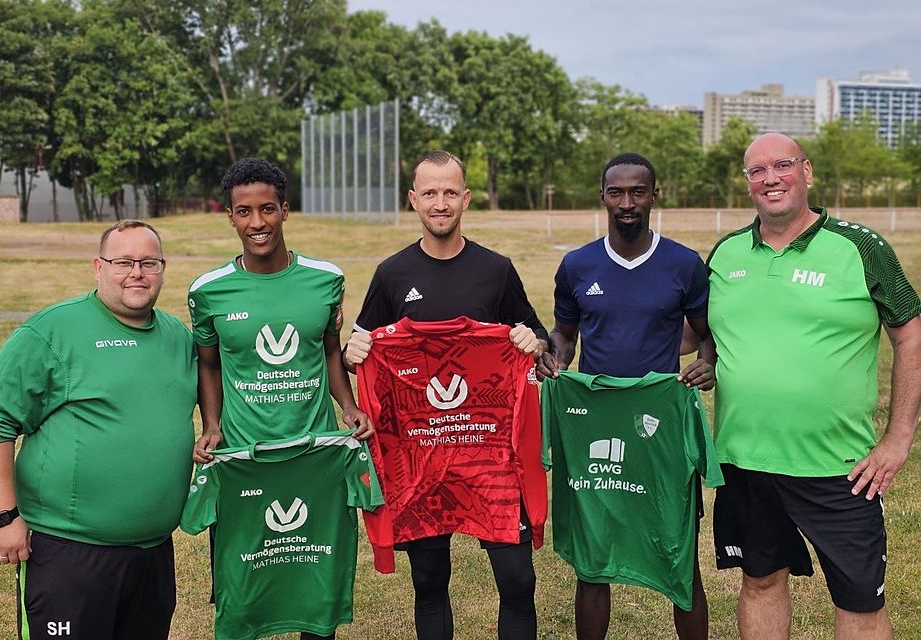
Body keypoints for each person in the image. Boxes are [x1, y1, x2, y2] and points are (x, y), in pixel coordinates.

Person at [707, 133, 921, 640]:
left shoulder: (861, 247)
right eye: (756, 171)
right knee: (760, 582)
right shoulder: (725, 252)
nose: (770, 178)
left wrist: (897, 440)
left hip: (839, 468)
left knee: (860, 604)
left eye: (781, 165)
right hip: (745, 460)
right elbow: (698, 336)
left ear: (806, 171)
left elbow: (910, 338)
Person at [342, 149, 547, 640]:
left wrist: (529, 340)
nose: (440, 203)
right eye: (430, 193)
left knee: (518, 580)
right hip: (420, 456)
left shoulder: (495, 270)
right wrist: (356, 348)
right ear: (413, 200)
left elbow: (537, 334)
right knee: (430, 581)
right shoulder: (392, 273)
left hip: (489, 454)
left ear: (466, 198)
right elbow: (361, 342)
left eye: (450, 192)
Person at [0, 220, 198, 640]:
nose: (137, 272)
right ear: (98, 266)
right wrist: (3, 517)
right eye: (123, 261)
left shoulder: (177, 338)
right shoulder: (53, 330)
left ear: (163, 268)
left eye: (149, 262)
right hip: (68, 555)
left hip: (152, 554)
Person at [188, 157, 372, 640]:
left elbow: (330, 350)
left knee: (316, 581)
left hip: (314, 455)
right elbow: (208, 363)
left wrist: (347, 405)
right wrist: (211, 423)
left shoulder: (324, 279)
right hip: (244, 458)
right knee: (244, 587)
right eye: (244, 212)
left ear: (285, 210)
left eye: (267, 209)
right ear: (229, 216)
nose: (257, 223)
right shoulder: (209, 292)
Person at [537, 152, 715, 639]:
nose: (627, 202)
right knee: (593, 565)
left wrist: (709, 363)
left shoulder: (683, 264)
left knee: (680, 556)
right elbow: (565, 336)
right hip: (597, 424)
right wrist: (552, 357)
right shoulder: (577, 265)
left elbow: (704, 334)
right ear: (602, 197)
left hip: (658, 428)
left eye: (638, 192)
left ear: (654, 196)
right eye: (617, 192)